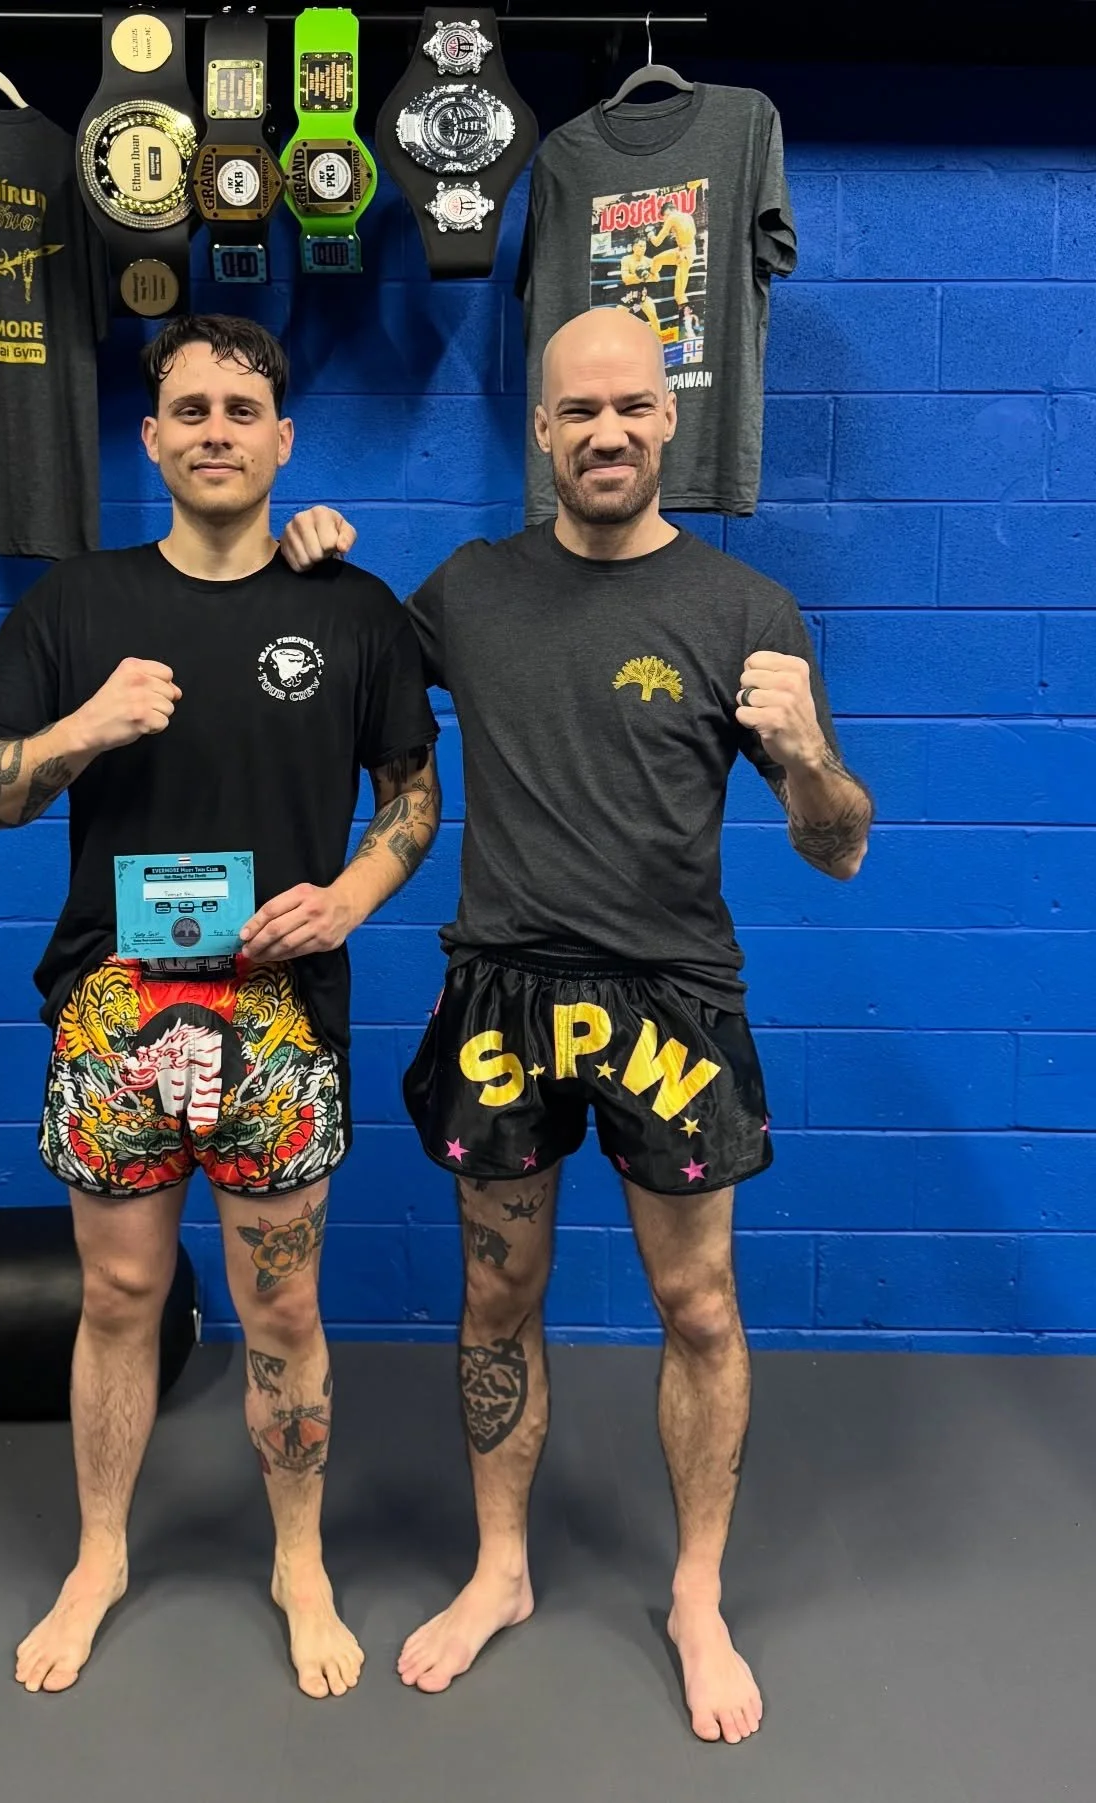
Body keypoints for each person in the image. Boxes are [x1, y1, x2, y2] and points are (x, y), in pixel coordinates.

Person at [279, 305, 873, 1745]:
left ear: (669, 418)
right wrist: (314, 560)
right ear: (542, 430)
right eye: (577, 411)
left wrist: (806, 756)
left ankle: (696, 1593)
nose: (607, 432)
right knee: (499, 1298)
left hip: (673, 997)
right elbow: (346, 666)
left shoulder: (745, 610)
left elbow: (840, 847)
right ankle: (502, 1567)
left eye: (631, 407)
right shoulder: (469, 591)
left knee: (699, 1304)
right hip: (505, 992)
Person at [0, 314, 441, 1699]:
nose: (215, 429)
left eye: (241, 409)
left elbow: (414, 796)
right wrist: (80, 728)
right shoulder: (77, 604)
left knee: (283, 1308)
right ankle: (101, 1553)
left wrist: (349, 899)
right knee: (119, 1293)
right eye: (189, 408)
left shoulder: (353, 607)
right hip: (114, 1008)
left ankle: (301, 1560)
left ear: (282, 440)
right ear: (152, 438)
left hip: (279, 1010)